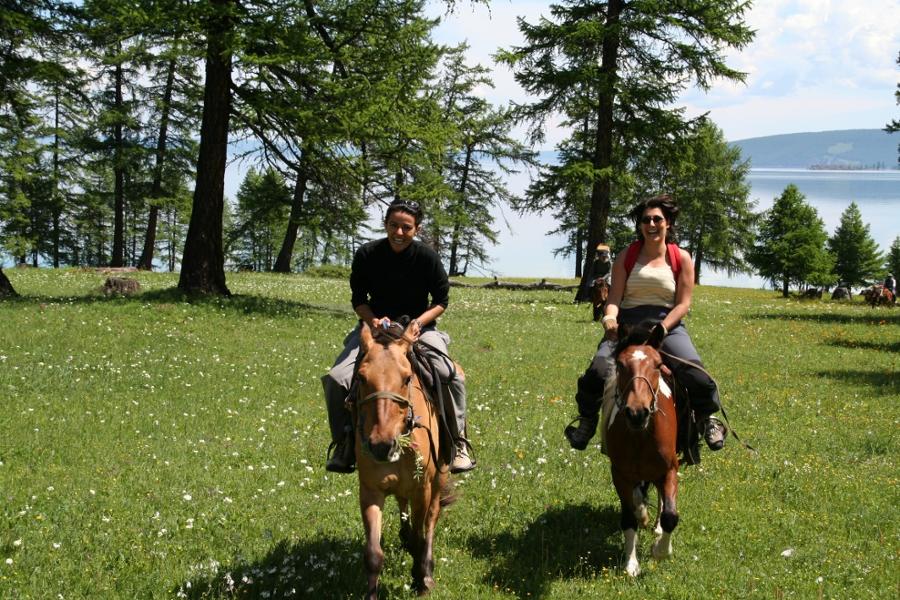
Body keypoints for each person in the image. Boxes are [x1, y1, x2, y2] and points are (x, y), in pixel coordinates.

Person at [564, 194, 727, 456]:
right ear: (640, 225)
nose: (651, 224)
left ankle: (706, 419)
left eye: (657, 219)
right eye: (646, 220)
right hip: (628, 327)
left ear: (668, 223)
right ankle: (587, 421)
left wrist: (663, 328)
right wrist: (609, 320)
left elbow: (683, 304)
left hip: (668, 327)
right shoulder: (627, 257)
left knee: (697, 374)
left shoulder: (681, 258)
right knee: (597, 369)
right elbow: (614, 298)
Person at [322, 198, 475, 474]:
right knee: (337, 379)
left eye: (406, 227)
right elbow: (358, 299)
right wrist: (372, 320)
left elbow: (441, 300)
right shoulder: (367, 254)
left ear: (417, 228)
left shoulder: (427, 257)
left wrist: (417, 324)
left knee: (450, 375)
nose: (399, 233)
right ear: (385, 225)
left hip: (419, 329)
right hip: (376, 330)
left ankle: (458, 443)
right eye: (393, 226)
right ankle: (345, 443)